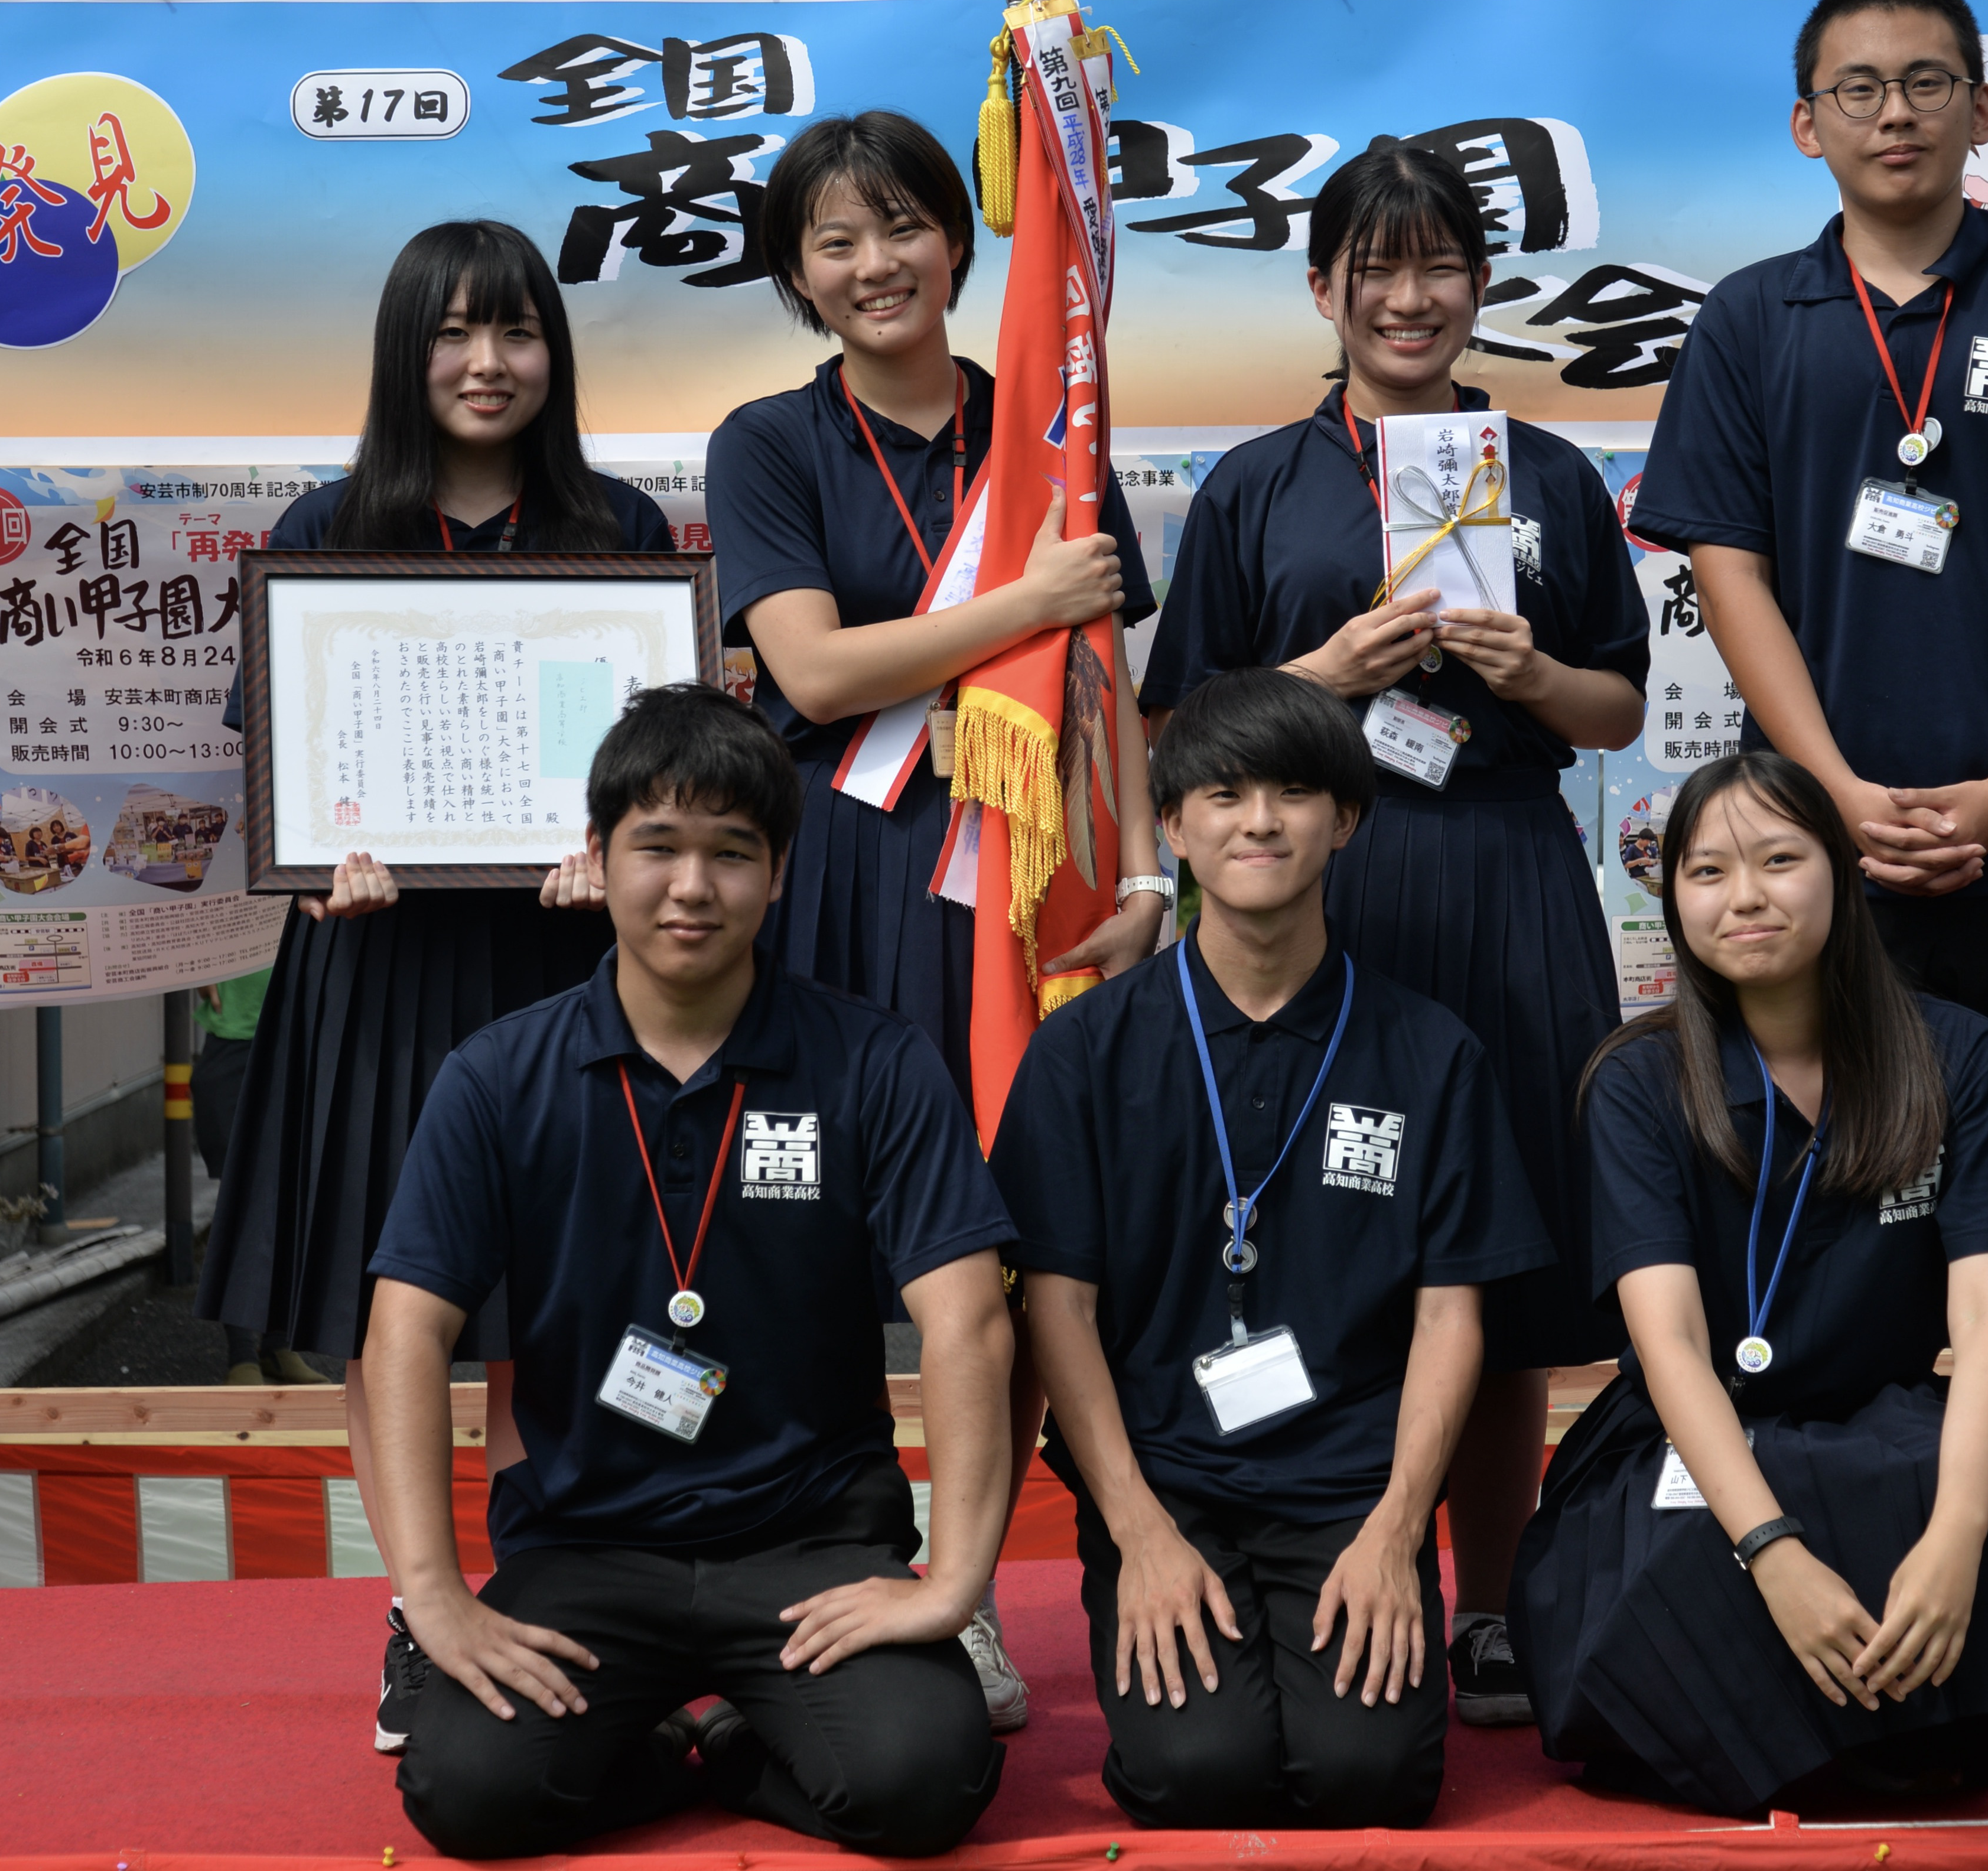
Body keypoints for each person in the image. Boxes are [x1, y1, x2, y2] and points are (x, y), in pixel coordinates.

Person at [1625, 0, 1988, 1732]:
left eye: (1927, 82)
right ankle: (1805, 1558)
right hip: (1822, 869)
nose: (1894, 112)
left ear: (1977, 114)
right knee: (1807, 1232)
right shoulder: (1755, 321)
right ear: (1807, 124)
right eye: (1858, 87)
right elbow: (1722, 565)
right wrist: (1827, 796)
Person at [1139, 143, 1649, 1726]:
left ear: (1479, 286)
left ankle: (1486, 1605)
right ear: (1323, 290)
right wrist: (1327, 676)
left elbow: (1616, 705)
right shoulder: (1256, 483)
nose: (1409, 298)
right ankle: (1312, 1581)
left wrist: (1526, 673)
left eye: (1438, 266)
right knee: (1304, 1233)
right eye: (1376, 268)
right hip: (1312, 888)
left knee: (1501, 1247)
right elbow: (1177, 729)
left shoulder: (1547, 474)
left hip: (1504, 871)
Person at [367, 683, 1017, 1860]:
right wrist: (438, 1595)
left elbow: (967, 1320)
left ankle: (732, 1747)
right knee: (466, 1791)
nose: (691, 886)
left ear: (778, 872)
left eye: (731, 852)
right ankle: (670, 1751)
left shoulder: (874, 1062)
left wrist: (954, 1583)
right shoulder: (498, 1075)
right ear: (597, 852)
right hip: (582, 1550)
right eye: (656, 846)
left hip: (812, 1546)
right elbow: (405, 1330)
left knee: (923, 1780)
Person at [705, 109, 1170, 1729]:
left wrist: (1148, 880)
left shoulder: (1046, 424)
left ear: (962, 243)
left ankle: (960, 1585)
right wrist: (1020, 602)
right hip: (840, 873)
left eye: (900, 226)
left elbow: (1105, 680)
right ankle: (820, 1562)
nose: (873, 264)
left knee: (1012, 1248)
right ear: (797, 277)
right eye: (833, 242)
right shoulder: (769, 443)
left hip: (1024, 885)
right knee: (814, 1240)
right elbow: (814, 671)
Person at [192, 218, 679, 1752]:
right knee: (384, 1301)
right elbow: (279, 768)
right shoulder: (328, 524)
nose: (487, 362)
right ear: (407, 354)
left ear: (555, 352)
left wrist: (619, 847)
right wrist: (314, 860)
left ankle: (546, 1588)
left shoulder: (619, 528)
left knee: (556, 1303)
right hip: (375, 967)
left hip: (563, 967)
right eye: (454, 332)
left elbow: (664, 764)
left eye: (517, 330)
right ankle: (422, 1608)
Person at [988, 669, 1554, 1829]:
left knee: (1370, 1776)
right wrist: (1137, 1532)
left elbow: (1452, 1315)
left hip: (1351, 1484)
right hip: (1161, 1478)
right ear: (1173, 825)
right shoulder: (1084, 1050)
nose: (1260, 821)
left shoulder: (1431, 1052)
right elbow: (1058, 1308)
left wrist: (1399, 1531)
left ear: (1345, 820)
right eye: (1225, 794)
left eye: (1295, 793)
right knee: (1195, 1772)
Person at [1511, 751, 1988, 1811]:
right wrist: (1771, 1554)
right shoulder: (1635, 1079)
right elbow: (1669, 1345)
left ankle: (1843, 1731)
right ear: (1673, 899)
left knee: (1945, 1495)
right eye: (1707, 872)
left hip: (1881, 1421)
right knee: (1681, 1564)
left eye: (1778, 860)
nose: (1745, 897)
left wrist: (1958, 1538)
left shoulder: (1958, 1055)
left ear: (1842, 875)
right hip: (1689, 1438)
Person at [193, 967, 311, 1386]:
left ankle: (278, 1342)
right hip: (231, 1040)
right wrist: (194, 964)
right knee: (242, 1202)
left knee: (291, 1198)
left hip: (299, 1037)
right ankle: (242, 1352)